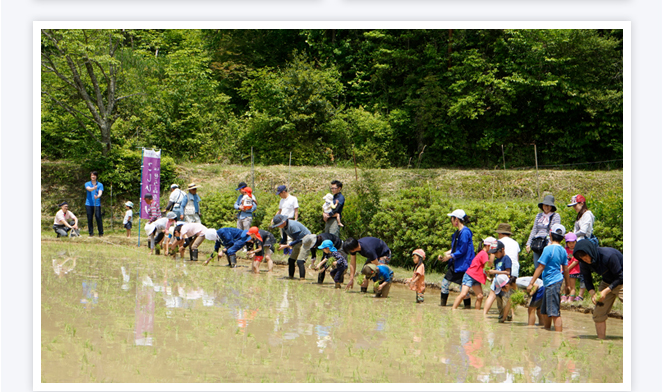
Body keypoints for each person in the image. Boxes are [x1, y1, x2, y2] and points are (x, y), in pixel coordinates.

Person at [573, 240, 623, 339]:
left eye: (586, 256)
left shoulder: (608, 256)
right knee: (598, 314)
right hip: (607, 282)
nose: (586, 260)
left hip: (623, 280)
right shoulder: (583, 262)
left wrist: (605, 291)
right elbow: (587, 279)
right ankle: (601, 342)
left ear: (591, 251)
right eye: (582, 258)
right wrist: (592, 294)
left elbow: (621, 276)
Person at [527, 223, 571, 332]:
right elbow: (565, 269)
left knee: (554, 312)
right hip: (553, 282)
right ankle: (547, 332)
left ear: (550, 234)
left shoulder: (548, 249)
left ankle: (557, 336)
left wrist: (531, 282)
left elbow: (540, 267)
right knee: (546, 311)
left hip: (552, 282)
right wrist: (568, 285)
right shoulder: (563, 250)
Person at [438, 209, 475, 308]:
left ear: (456, 220)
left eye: (452, 218)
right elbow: (454, 248)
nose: (451, 220)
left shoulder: (465, 232)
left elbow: (463, 250)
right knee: (445, 284)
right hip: (456, 263)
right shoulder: (457, 233)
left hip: (463, 265)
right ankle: (443, 307)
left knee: (462, 289)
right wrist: (444, 254)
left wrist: (449, 257)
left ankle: (467, 308)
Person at [453, 237, 494, 310]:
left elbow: (481, 269)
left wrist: (487, 278)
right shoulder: (484, 254)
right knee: (463, 294)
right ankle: (453, 309)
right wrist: (493, 256)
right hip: (469, 276)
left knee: (480, 296)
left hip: (476, 277)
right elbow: (488, 266)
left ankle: (476, 313)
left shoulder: (482, 253)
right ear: (488, 246)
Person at [271, 214, 316, 280]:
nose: (278, 226)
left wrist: (286, 246)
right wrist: (280, 244)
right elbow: (284, 239)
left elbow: (298, 239)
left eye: (278, 225)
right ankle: (290, 277)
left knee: (300, 261)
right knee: (291, 260)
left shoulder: (292, 225)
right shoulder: (283, 227)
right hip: (299, 241)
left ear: (283, 222)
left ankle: (302, 279)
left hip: (307, 240)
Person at [525, 195, 561, 264]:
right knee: (537, 265)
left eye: (549, 205)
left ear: (551, 207)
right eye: (545, 205)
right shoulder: (539, 216)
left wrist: (551, 241)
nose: (546, 207)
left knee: (546, 265)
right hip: (537, 242)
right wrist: (528, 243)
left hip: (548, 242)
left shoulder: (555, 216)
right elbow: (534, 229)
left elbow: (555, 230)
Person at [482, 240, 513, 316]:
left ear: (502, 249)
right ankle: (501, 316)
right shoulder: (497, 260)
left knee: (505, 300)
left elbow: (508, 272)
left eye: (496, 252)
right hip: (497, 284)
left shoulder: (507, 259)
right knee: (499, 301)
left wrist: (495, 271)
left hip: (505, 284)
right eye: (494, 253)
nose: (495, 254)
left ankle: (508, 317)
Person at [562, 232, 582, 303]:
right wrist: (563, 268)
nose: (571, 245)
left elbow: (576, 261)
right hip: (565, 270)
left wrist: (568, 268)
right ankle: (563, 297)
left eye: (573, 243)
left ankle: (571, 298)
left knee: (572, 286)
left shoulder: (577, 251)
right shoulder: (565, 250)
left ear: (576, 242)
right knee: (564, 284)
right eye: (569, 243)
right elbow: (562, 259)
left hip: (573, 271)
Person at [84, 171, 104, 236]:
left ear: (96, 176)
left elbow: (100, 192)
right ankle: (91, 233)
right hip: (88, 204)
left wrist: (97, 196)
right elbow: (89, 189)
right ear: (90, 176)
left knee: (98, 217)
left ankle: (101, 233)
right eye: (92, 175)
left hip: (97, 204)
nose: (93, 177)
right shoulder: (87, 183)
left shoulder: (100, 184)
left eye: (94, 175)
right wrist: (93, 188)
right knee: (90, 218)